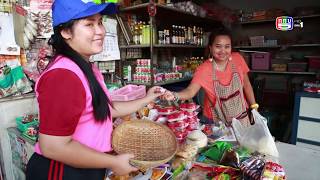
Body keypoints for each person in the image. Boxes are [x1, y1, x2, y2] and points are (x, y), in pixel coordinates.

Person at [26, 1, 165, 179]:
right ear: (66, 32)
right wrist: (113, 163)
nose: (100, 31)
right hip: (62, 171)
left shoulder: (86, 67)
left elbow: (103, 108)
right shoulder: (63, 76)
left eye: (100, 22)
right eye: (89, 24)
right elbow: (53, 147)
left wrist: (146, 99)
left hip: (86, 165)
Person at [164, 27, 258, 127]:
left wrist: (254, 106)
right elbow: (190, 91)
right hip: (216, 120)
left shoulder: (237, 58)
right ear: (210, 47)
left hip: (241, 114)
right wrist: (175, 95)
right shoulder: (204, 69)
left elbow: (247, 85)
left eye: (227, 46)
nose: (223, 51)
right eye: (218, 46)